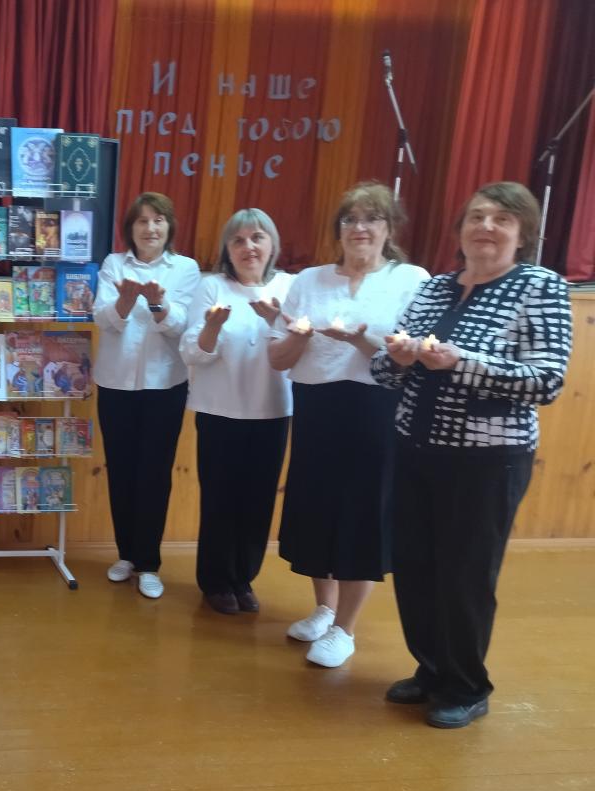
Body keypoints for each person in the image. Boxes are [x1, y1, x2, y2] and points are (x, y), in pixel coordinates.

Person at [372, 182, 571, 727]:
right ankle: (431, 668)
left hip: (487, 461)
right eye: (476, 217)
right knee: (414, 565)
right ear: (459, 230)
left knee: (465, 575)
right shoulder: (435, 288)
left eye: (502, 219)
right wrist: (397, 357)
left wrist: (461, 362)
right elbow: (384, 372)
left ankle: (465, 685)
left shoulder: (539, 286)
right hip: (414, 448)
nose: (486, 227)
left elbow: (546, 381)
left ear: (523, 234)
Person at [268, 182, 429, 667]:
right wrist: (300, 337)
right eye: (350, 219)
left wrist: (359, 342)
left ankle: (346, 628)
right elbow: (278, 357)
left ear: (389, 228)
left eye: (371, 218)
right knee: (316, 504)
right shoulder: (309, 280)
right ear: (337, 229)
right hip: (317, 403)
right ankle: (324, 608)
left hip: (377, 406)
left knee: (363, 510)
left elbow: (413, 358)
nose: (360, 228)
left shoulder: (411, 279)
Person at [179, 209, 293, 615]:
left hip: (272, 409)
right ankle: (215, 581)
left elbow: (302, 344)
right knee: (220, 499)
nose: (249, 247)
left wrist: (277, 319)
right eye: (238, 240)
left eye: (257, 238)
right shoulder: (212, 287)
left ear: (272, 245)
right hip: (219, 411)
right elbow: (191, 352)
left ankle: (243, 578)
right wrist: (212, 326)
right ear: (227, 249)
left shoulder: (289, 286)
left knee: (258, 501)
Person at [93, 192, 201, 599]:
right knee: (120, 471)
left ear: (169, 227)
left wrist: (158, 303)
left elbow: (182, 327)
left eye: (158, 220)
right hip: (116, 384)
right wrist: (124, 301)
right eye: (142, 221)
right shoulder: (113, 264)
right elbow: (102, 319)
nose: (150, 228)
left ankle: (149, 563)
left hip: (164, 386)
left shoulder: (185, 269)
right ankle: (126, 555)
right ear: (131, 228)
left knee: (154, 474)